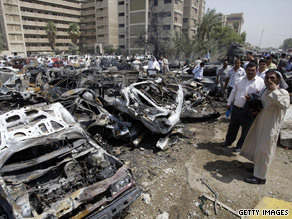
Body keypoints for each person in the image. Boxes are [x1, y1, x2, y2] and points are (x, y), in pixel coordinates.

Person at [240, 70, 290, 184]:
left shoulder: (282, 92)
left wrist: (274, 91)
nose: (269, 80)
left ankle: (260, 177)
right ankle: (257, 169)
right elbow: (263, 106)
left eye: (272, 78)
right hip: (260, 123)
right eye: (267, 78)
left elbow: (284, 105)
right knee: (257, 147)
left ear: (278, 79)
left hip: (270, 127)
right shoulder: (265, 91)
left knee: (265, 151)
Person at [222, 62, 265, 152]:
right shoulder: (240, 80)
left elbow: (261, 98)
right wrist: (229, 103)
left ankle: (240, 145)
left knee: (246, 129)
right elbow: (233, 92)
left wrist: (253, 101)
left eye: (252, 70)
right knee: (232, 126)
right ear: (246, 70)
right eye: (248, 70)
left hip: (249, 110)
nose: (250, 72)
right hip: (237, 108)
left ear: (256, 71)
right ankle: (228, 141)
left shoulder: (261, 82)